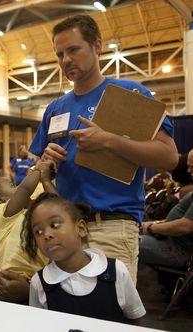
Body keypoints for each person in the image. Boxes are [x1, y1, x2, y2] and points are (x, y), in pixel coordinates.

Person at [29, 14, 178, 283]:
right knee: (67, 313)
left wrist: (108, 140)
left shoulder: (130, 93)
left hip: (112, 225)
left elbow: (168, 157)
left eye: (73, 50)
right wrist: (46, 162)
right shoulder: (55, 108)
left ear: (96, 46)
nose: (65, 60)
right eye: (59, 54)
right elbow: (40, 164)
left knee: (108, 316)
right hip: (64, 225)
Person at [24, 193, 146, 324]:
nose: (46, 235)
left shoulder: (116, 271)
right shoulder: (39, 283)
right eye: (39, 232)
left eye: (54, 225)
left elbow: (135, 320)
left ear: (81, 228)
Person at [0, 160, 55, 303]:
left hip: (34, 286)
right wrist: (37, 168)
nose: (19, 186)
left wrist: (46, 181)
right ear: (0, 201)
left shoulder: (37, 216)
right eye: (13, 185)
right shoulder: (3, 214)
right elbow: (26, 189)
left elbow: (57, 206)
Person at [140, 149, 193, 268]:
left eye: (192, 167)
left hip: (181, 249)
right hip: (172, 241)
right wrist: (152, 225)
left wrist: (151, 227)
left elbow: (184, 226)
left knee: (126, 245)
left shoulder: (186, 190)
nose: (189, 170)